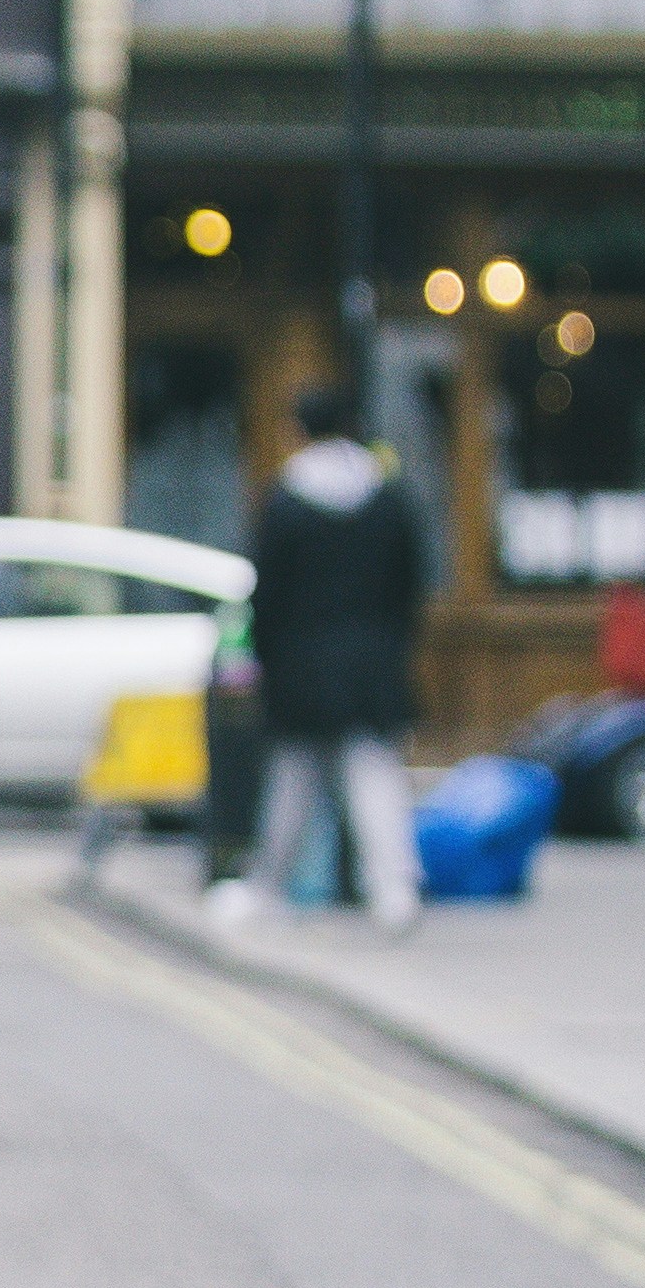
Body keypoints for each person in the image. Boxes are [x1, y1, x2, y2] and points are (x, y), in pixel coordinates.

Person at [216, 376, 427, 934]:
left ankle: (266, 888)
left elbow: (267, 594)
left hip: (302, 665)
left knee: (291, 784)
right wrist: (394, 646)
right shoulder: (386, 498)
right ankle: (395, 893)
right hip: (371, 664)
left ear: (298, 431)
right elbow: (410, 584)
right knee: (375, 779)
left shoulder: (286, 501)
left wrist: (264, 658)